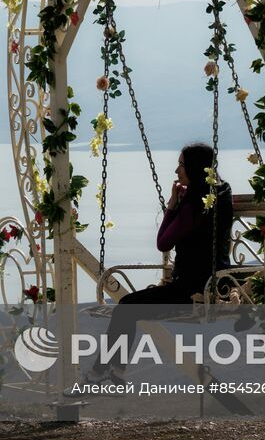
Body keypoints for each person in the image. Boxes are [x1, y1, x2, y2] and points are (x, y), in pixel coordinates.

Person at [88, 142, 231, 382]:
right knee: (129, 307)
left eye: (182, 166)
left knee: (126, 308)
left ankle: (100, 372)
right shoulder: (222, 194)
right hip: (216, 283)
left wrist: (172, 206)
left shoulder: (194, 204)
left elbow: (163, 243)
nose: (177, 171)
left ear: (195, 169)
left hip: (191, 290)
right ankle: (114, 370)